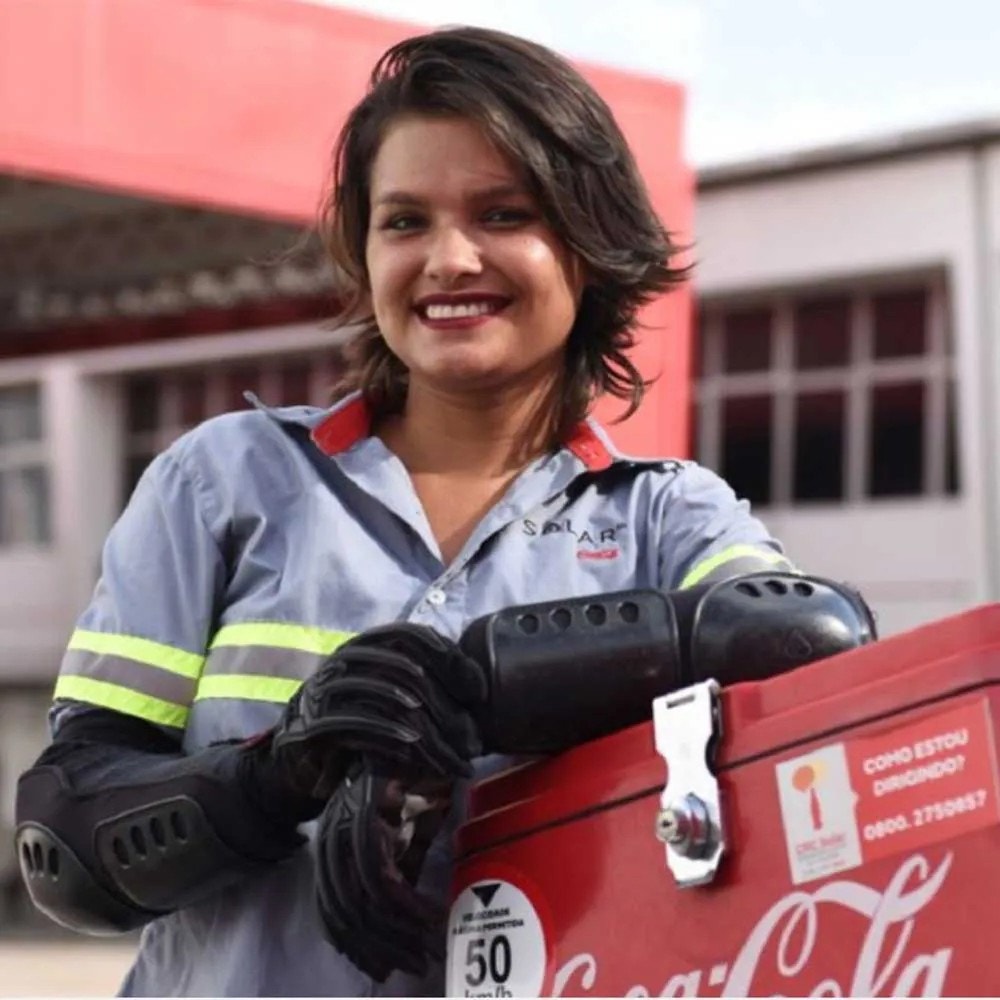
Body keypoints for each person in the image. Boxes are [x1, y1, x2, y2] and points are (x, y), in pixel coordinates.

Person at [12, 25, 862, 998]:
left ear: (589, 245)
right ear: (361, 250)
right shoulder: (221, 482)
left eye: (503, 213)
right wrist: (284, 771)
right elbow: (67, 847)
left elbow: (805, 634)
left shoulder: (668, 518)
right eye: (405, 221)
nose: (450, 258)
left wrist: (464, 691)